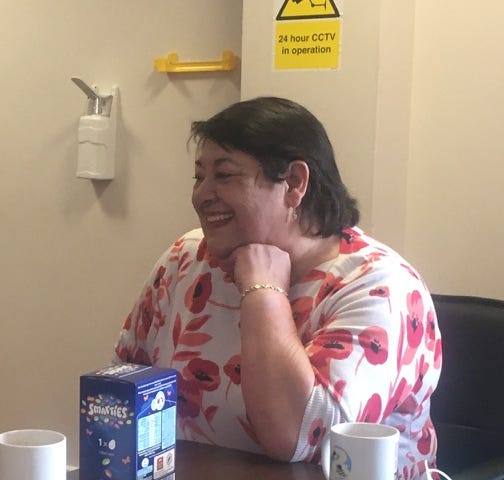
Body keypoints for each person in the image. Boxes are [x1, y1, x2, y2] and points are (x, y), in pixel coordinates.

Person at [113, 97, 441, 480]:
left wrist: (263, 290)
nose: (201, 194)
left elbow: (298, 438)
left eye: (225, 175)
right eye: (199, 176)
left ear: (295, 184)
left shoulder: (382, 287)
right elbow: (123, 394)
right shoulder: (185, 259)